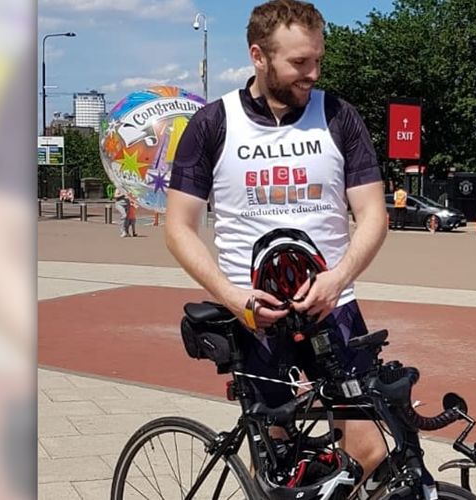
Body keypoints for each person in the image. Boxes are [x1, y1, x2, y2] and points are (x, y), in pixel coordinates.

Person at [165, 0, 388, 478]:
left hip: (334, 307)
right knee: (276, 462)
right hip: (255, 318)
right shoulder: (212, 124)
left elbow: (373, 215)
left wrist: (340, 277)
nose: (312, 73)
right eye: (299, 63)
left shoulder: (339, 116)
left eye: (317, 60)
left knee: (372, 454)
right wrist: (232, 298)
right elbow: (179, 228)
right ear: (258, 56)